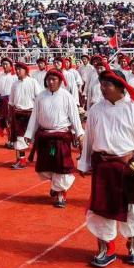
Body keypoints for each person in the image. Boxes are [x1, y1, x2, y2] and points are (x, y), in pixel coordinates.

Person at [78, 70, 134, 268]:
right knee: (102, 209)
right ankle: (106, 249)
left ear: (120, 87)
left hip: (130, 167)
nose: (102, 88)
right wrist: (85, 163)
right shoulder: (95, 110)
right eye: (101, 84)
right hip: (104, 168)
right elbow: (89, 138)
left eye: (107, 85)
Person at [24, 69, 84, 207]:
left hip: (61, 137)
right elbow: (35, 117)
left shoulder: (67, 96)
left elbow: (74, 116)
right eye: (49, 79)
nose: (51, 82)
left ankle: (60, 194)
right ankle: (56, 186)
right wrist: (29, 133)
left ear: (60, 81)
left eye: (54, 79)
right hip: (45, 138)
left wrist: (79, 133)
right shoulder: (40, 97)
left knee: (61, 167)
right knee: (45, 168)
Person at [9, 62, 43, 169]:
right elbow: (11, 102)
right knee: (19, 138)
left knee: (38, 137)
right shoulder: (14, 84)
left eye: (20, 69)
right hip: (18, 114)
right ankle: (21, 160)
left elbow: (40, 97)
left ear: (26, 70)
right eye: (16, 69)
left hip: (31, 113)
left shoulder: (33, 82)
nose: (17, 71)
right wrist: (10, 116)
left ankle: (46, 159)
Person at [0, 58, 17, 145]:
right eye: (3, 64)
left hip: (11, 101)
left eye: (6, 64)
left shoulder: (14, 77)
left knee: (11, 121)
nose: (4, 66)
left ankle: (13, 140)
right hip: (2, 101)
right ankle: (10, 139)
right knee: (5, 121)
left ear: (11, 66)